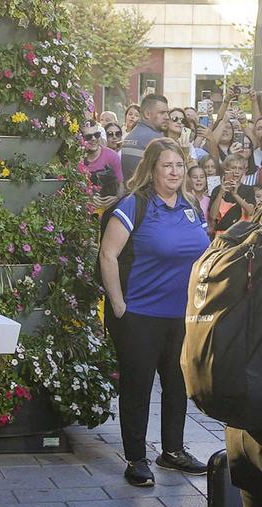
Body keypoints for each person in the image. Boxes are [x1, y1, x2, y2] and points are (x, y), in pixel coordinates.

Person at [99, 137, 210, 488]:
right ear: (152, 169)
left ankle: (172, 451)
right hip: (140, 315)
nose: (175, 172)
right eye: (167, 165)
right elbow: (107, 255)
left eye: (179, 165)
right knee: (138, 387)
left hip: (181, 315)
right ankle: (136, 458)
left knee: (178, 385)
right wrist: (118, 304)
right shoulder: (135, 205)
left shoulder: (191, 205)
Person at [79, 118, 123, 210]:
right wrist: (86, 198)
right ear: (81, 139)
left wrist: (117, 198)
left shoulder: (112, 156)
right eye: (88, 137)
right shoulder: (76, 159)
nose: (93, 139)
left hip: (109, 210)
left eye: (96, 135)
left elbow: (122, 183)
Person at [208, 152, 257, 235]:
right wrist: (220, 193)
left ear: (244, 171)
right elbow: (212, 216)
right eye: (233, 168)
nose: (237, 171)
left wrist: (235, 195)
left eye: (240, 168)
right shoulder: (217, 190)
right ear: (226, 169)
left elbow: (250, 212)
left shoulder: (248, 189)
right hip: (221, 235)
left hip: (242, 235)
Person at [121, 93, 167, 178]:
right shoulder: (157, 140)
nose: (167, 117)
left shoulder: (129, 137)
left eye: (167, 113)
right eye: (162, 113)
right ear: (147, 114)